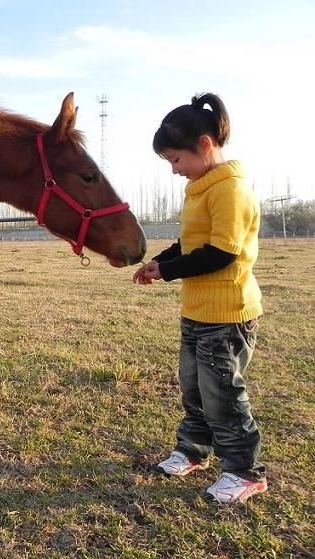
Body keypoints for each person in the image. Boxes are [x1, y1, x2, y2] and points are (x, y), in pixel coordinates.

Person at [133, 93, 267, 503]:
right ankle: (193, 450)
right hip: (197, 310)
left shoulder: (230, 189)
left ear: (205, 145)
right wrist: (162, 261)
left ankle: (245, 471)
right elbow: (191, 243)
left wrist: (172, 269)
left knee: (222, 393)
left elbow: (221, 252)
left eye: (176, 160)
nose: (175, 170)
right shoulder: (200, 187)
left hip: (227, 313)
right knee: (194, 389)